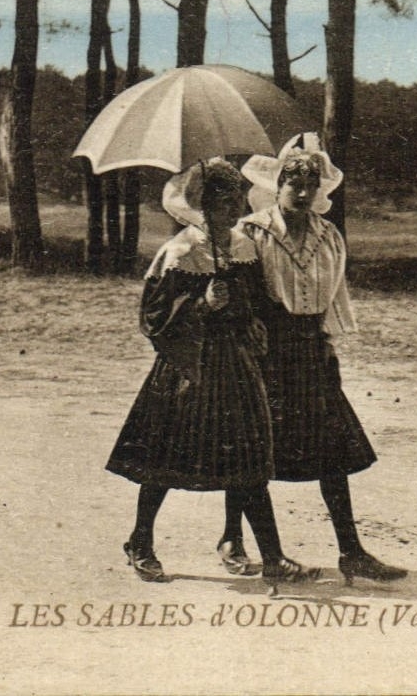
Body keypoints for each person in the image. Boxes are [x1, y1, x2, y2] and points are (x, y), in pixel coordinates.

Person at [105, 157, 317, 589]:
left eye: (238, 200)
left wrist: (255, 320)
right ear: (203, 206)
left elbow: (257, 301)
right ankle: (140, 541)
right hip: (190, 368)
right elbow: (153, 317)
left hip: (237, 366)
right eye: (223, 203)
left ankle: (272, 557)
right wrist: (202, 304)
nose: (233, 210)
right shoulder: (182, 251)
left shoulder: (243, 247)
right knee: (164, 460)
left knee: (251, 461)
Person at [216, 133, 407, 585]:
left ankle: (351, 552)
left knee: (332, 451)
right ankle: (236, 540)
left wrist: (327, 341)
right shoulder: (251, 232)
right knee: (252, 450)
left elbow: (333, 293)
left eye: (311, 184)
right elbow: (239, 293)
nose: (302, 193)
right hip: (263, 351)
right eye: (292, 184)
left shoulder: (328, 235)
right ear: (275, 185)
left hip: (310, 351)